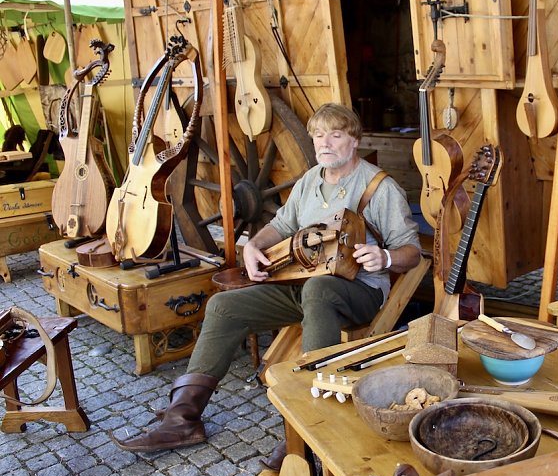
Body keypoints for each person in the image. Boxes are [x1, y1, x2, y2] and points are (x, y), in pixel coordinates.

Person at [112, 103, 422, 456]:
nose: (325, 143)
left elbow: (411, 251)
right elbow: (283, 226)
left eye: (335, 135)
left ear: (354, 141)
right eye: (319, 135)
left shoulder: (380, 187)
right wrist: (252, 246)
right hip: (304, 286)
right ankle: (181, 420)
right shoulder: (309, 181)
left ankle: (309, 427)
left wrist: (386, 257)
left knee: (319, 290)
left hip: (359, 292)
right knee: (224, 306)